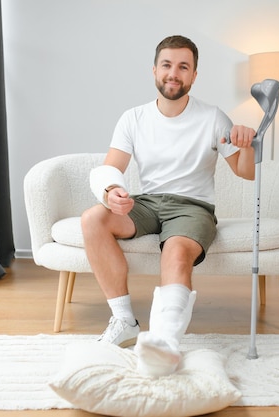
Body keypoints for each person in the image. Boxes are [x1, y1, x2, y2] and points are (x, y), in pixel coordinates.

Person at [81, 35, 256, 377]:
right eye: (167, 65)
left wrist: (246, 143)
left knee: (175, 253)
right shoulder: (133, 118)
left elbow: (245, 172)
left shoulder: (213, 118)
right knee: (92, 219)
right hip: (147, 203)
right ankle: (124, 321)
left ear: (193, 76)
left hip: (193, 207)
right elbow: (109, 167)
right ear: (154, 70)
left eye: (183, 67)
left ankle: (164, 344)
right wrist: (112, 189)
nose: (173, 73)